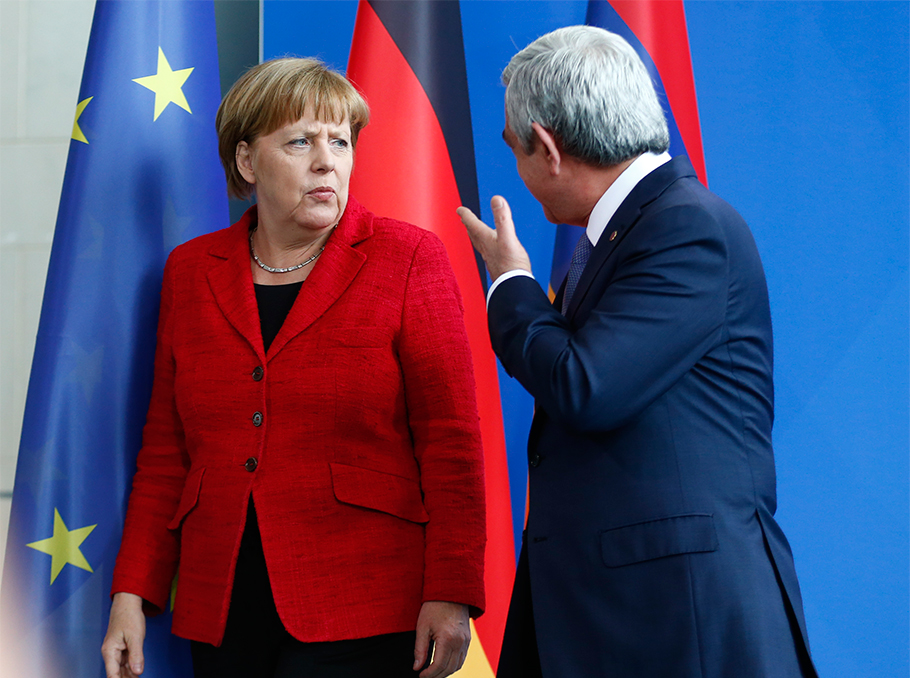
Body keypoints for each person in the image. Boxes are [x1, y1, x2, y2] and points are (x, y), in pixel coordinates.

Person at [101, 57, 485, 678]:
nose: (326, 160)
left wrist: (452, 589)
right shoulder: (191, 271)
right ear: (248, 162)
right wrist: (132, 593)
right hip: (221, 604)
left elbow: (452, 441)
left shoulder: (408, 257)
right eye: (301, 141)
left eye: (340, 140)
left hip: (364, 600)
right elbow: (168, 448)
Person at [458, 26, 818, 678]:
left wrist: (510, 284)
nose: (522, 173)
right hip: (610, 616)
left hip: (680, 625)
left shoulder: (686, 227)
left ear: (546, 147)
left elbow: (583, 385)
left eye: (515, 150)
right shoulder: (628, 234)